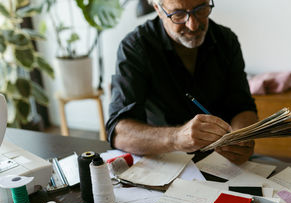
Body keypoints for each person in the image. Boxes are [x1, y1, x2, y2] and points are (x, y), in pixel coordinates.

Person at [106, 0, 258, 165]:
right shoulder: (136, 47)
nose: (193, 25)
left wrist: (242, 138)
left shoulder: (226, 40)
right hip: (165, 163)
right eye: (178, 14)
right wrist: (176, 138)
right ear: (158, 9)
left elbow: (243, 107)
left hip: (224, 163)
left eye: (201, 9)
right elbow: (119, 133)